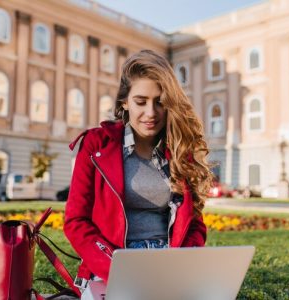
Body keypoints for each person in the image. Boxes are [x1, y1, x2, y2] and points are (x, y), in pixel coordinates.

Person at [64, 49, 213, 292]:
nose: (151, 113)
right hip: (115, 265)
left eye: (160, 102)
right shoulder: (96, 145)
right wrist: (119, 271)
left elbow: (194, 223)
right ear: (124, 101)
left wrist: (186, 263)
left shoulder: (179, 150)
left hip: (168, 264)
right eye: (140, 102)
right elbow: (75, 222)